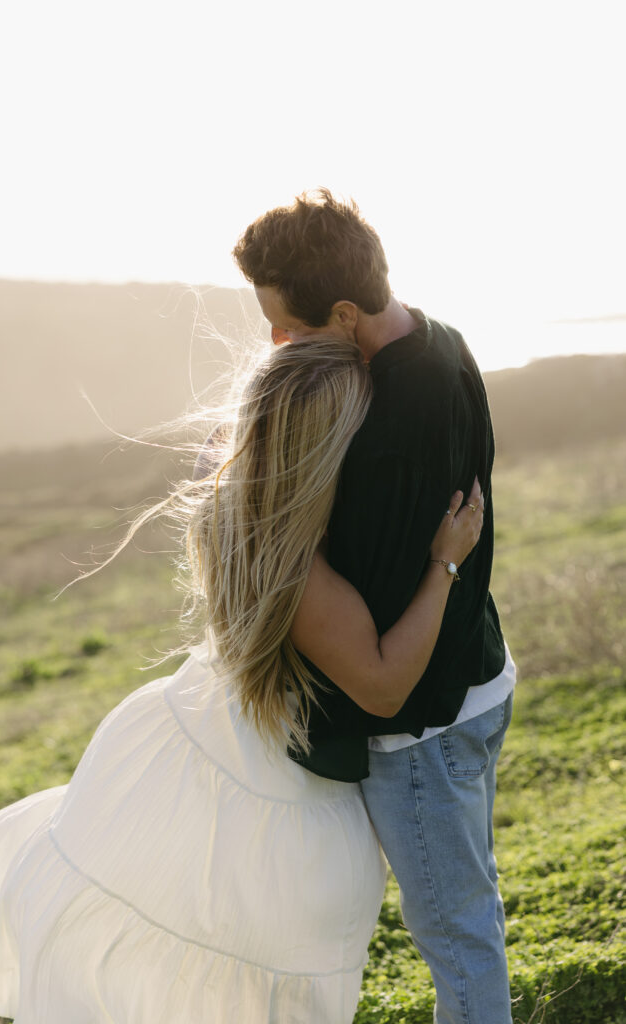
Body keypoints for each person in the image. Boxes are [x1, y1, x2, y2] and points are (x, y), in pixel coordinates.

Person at [0, 336, 484, 1023]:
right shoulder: (298, 568)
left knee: (179, 962)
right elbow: (380, 687)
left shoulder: (232, 498)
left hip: (186, 735)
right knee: (228, 975)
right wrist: (444, 564)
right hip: (256, 784)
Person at [233, 190, 516, 1024]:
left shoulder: (389, 430)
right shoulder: (439, 338)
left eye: (284, 324)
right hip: (478, 678)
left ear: (348, 311)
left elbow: (381, 675)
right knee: (470, 909)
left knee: (457, 932)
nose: (274, 342)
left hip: (420, 727)